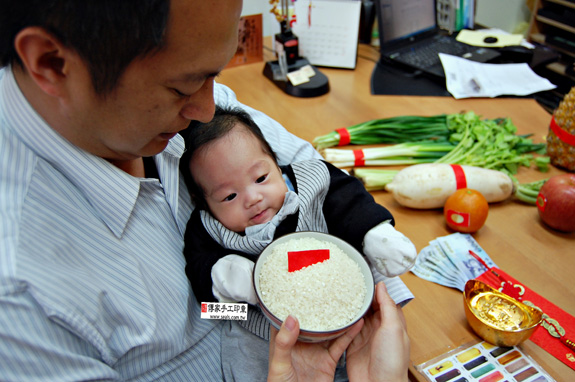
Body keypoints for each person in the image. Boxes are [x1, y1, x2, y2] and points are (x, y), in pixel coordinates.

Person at [0, 1, 411, 381]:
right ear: (53, 63)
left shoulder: (189, 91)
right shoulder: (22, 295)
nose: (208, 110)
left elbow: (311, 177)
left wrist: (357, 303)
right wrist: (250, 313)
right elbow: (212, 309)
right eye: (181, 88)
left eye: (216, 75)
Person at [179, 106, 417, 380]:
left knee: (379, 295)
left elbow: (348, 201)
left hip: (342, 309)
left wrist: (374, 232)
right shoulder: (208, 228)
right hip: (265, 332)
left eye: (260, 178)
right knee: (229, 330)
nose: (253, 197)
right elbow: (205, 294)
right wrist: (225, 279)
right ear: (204, 202)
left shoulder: (311, 181)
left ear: (275, 163)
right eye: (229, 196)